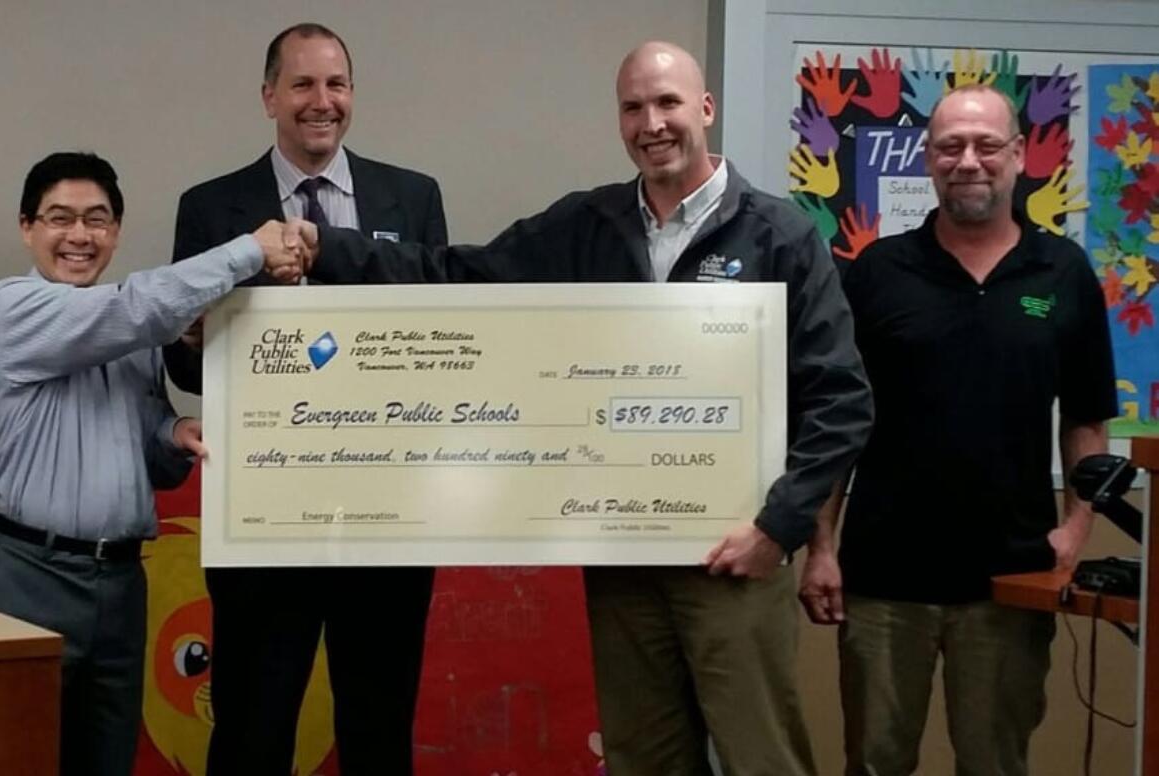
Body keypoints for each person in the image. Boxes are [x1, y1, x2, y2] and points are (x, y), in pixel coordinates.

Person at [300, 41, 873, 776]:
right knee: (643, 758)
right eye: (633, 107)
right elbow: (457, 274)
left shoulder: (780, 235)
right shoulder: (586, 227)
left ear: (705, 108)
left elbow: (842, 399)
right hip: (623, 562)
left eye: (667, 103)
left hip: (736, 561)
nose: (651, 123)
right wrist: (326, 249)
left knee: (762, 760)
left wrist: (777, 528)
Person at [798, 85, 1117, 776]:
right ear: (928, 159)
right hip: (884, 579)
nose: (968, 161)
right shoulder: (878, 273)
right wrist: (821, 545)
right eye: (950, 146)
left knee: (994, 763)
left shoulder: (1061, 272)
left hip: (1009, 576)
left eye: (985, 145)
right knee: (876, 763)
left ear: (1019, 155)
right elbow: (835, 421)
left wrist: (1075, 530)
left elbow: (1087, 419)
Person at [0, 151, 308, 776]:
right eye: (60, 218)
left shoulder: (131, 337)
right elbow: (134, 309)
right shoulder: (10, 307)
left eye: (97, 219)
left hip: (119, 585)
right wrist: (249, 250)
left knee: (106, 761)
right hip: (23, 576)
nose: (79, 236)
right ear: (27, 227)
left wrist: (175, 433)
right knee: (16, 759)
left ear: (116, 231)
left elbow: (149, 443)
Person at [161, 22, 447, 776]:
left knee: (379, 735)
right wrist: (191, 337)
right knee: (252, 735)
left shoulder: (413, 199)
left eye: (337, 84)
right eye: (303, 85)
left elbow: (443, 338)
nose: (322, 102)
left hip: (386, 520)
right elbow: (184, 370)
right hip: (261, 521)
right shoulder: (211, 207)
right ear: (268, 97)